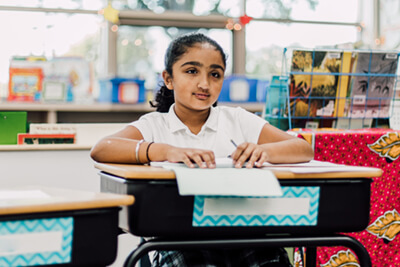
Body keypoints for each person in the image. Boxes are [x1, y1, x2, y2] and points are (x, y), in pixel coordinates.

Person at [91, 32, 314, 267]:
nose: (204, 84)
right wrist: (165, 151)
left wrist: (264, 151)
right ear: (168, 78)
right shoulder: (155, 125)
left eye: (215, 74)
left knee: (271, 257)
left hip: (244, 233)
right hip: (178, 239)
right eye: (191, 71)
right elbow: (102, 148)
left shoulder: (236, 119)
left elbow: (303, 148)